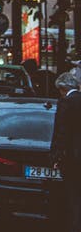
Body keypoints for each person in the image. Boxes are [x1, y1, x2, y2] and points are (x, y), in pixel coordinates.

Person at [50, 71, 81, 230]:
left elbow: (61, 132)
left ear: (62, 88)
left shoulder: (66, 103)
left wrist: (56, 155)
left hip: (72, 158)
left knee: (73, 194)